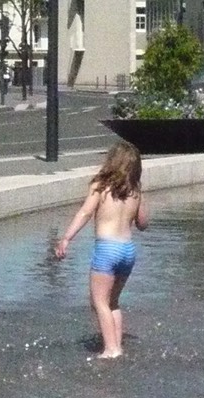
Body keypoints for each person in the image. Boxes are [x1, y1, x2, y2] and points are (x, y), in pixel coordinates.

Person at [55, 143, 149, 358]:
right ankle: (117, 345)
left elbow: (85, 212)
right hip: (128, 250)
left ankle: (111, 349)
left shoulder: (101, 185)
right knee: (113, 301)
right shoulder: (135, 189)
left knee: (99, 302)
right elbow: (143, 224)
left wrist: (66, 238)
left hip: (107, 249)